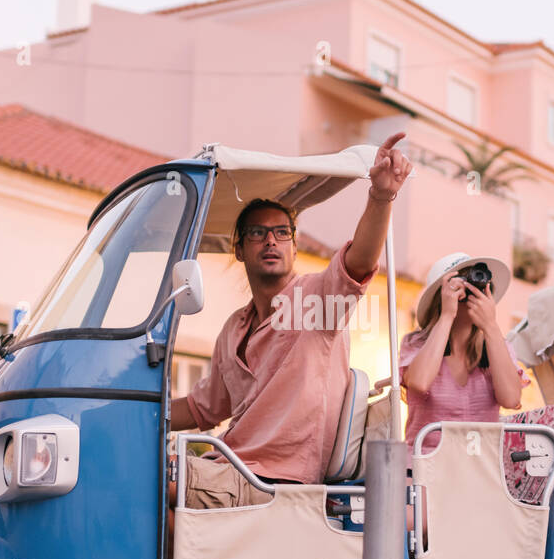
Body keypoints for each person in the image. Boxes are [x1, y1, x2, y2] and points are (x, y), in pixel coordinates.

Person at [167, 132, 413, 510]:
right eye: (258, 233)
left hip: (278, 480)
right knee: (142, 474)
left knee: (157, 485)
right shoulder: (234, 328)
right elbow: (204, 408)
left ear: (294, 246)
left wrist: (381, 196)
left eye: (282, 232)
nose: (271, 241)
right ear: (239, 248)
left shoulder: (315, 300)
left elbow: (360, 262)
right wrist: (142, 412)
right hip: (230, 465)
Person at [399, 252, 525, 461]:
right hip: (426, 470)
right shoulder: (416, 344)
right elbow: (419, 383)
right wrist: (447, 315)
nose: (473, 291)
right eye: (464, 282)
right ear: (440, 295)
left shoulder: (498, 347)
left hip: (479, 471)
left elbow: (511, 398)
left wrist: (491, 327)